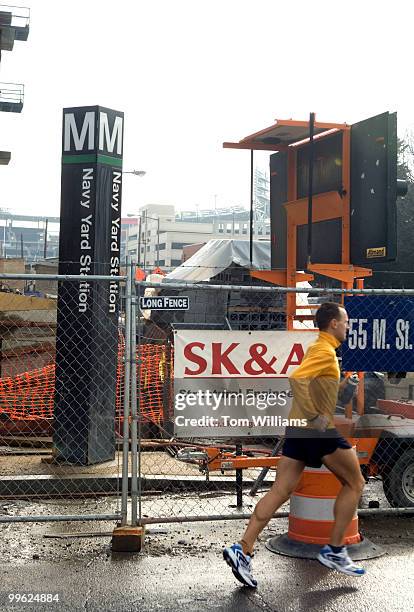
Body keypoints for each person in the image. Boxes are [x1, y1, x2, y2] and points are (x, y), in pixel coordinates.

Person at [223, 302, 366, 587]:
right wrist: (316, 414)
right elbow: (297, 378)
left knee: (280, 491)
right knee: (356, 483)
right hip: (316, 430)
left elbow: (313, 384)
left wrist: (341, 390)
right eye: (346, 322)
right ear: (334, 324)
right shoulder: (325, 351)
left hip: (298, 428)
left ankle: (243, 548)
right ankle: (336, 550)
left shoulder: (321, 349)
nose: (348, 327)